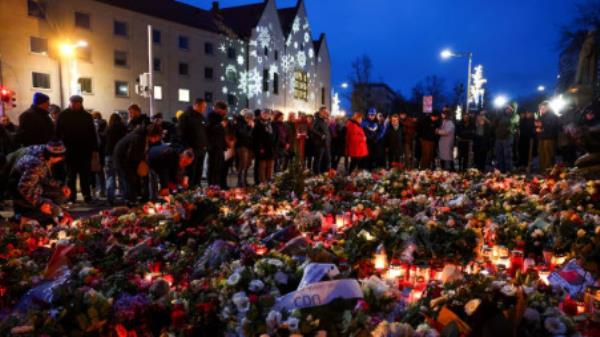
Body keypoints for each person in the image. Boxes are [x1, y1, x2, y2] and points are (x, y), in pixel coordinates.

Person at [9, 141, 71, 223]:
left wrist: (60, 186)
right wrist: (40, 203)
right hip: (18, 192)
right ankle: (21, 217)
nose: (61, 159)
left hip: (34, 187)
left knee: (61, 194)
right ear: (53, 157)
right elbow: (23, 187)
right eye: (60, 157)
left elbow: (42, 178)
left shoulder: (42, 152)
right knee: (56, 211)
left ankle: (38, 213)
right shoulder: (36, 164)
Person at [56, 95, 98, 204]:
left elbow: (92, 134)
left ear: (81, 103)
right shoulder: (63, 115)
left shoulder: (87, 116)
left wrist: (94, 149)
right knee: (71, 176)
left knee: (85, 175)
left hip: (84, 151)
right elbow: (57, 133)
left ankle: (86, 195)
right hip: (69, 151)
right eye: (72, 102)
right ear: (70, 103)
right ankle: (71, 197)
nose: (74, 105)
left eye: (77, 103)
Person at [113, 123, 162, 206]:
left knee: (133, 180)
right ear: (152, 134)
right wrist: (138, 166)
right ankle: (130, 203)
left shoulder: (144, 137)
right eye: (157, 137)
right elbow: (131, 156)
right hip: (123, 161)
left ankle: (134, 200)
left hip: (129, 160)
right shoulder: (138, 138)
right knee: (129, 181)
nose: (158, 139)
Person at [177, 99, 208, 187]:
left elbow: (204, 132)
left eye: (204, 107)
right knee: (191, 170)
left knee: (199, 169)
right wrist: (187, 147)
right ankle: (190, 188)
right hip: (191, 149)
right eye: (202, 107)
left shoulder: (201, 117)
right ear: (196, 105)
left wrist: (205, 144)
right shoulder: (185, 116)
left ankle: (197, 186)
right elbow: (181, 133)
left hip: (201, 149)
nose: (204, 109)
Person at [105, 113, 127, 205]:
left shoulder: (108, 129)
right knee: (122, 176)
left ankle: (110, 198)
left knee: (110, 177)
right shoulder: (123, 127)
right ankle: (124, 197)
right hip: (121, 154)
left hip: (109, 154)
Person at [207, 101, 228, 188]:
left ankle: (218, 184)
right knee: (213, 166)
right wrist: (221, 126)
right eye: (224, 110)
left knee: (220, 167)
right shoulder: (211, 117)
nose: (225, 112)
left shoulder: (222, 118)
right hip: (213, 146)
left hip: (220, 146)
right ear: (219, 109)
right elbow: (209, 130)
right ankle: (212, 185)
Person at [493, 103, 519, 172]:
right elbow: (495, 123)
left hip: (508, 137)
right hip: (499, 137)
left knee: (507, 155)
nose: (507, 109)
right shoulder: (501, 116)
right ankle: (501, 169)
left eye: (509, 108)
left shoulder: (515, 116)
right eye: (507, 108)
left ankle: (509, 170)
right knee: (499, 154)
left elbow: (511, 122)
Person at [253, 109, 277, 183]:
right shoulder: (257, 124)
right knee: (262, 166)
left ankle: (269, 180)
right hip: (262, 148)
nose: (266, 115)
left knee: (270, 165)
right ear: (261, 114)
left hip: (271, 148)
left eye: (267, 114)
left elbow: (276, 135)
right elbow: (256, 137)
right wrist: (260, 147)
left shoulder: (272, 124)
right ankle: (262, 182)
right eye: (264, 114)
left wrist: (275, 145)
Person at [536, 101, 561, 172]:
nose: (541, 109)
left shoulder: (552, 116)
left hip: (549, 138)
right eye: (540, 108)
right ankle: (542, 169)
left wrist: (542, 128)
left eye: (543, 108)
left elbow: (553, 126)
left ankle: (549, 169)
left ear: (548, 107)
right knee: (541, 153)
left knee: (549, 154)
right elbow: (538, 125)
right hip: (542, 137)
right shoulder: (541, 116)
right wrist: (538, 128)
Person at [235, 109, 255, 187]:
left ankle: (244, 180)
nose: (250, 120)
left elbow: (252, 136)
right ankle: (240, 182)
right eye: (249, 118)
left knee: (247, 164)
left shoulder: (249, 123)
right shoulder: (240, 123)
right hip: (242, 146)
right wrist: (250, 127)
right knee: (242, 164)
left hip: (249, 146)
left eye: (251, 118)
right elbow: (243, 134)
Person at [310, 107, 332, 174]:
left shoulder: (323, 120)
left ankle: (324, 173)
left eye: (326, 112)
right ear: (321, 112)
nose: (326, 113)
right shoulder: (317, 120)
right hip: (320, 144)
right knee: (318, 160)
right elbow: (312, 129)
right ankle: (316, 173)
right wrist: (321, 135)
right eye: (325, 112)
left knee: (326, 160)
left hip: (326, 144)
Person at [92, 112, 107, 198]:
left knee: (94, 173)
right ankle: (103, 190)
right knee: (101, 173)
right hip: (102, 153)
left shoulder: (94, 127)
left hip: (94, 154)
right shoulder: (104, 128)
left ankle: (96, 190)